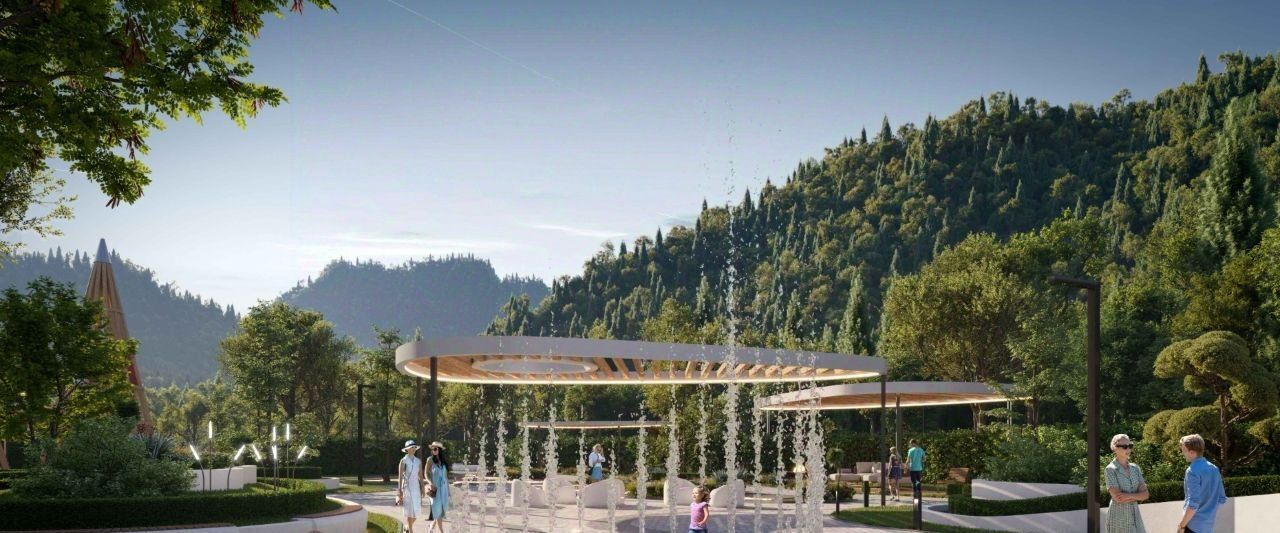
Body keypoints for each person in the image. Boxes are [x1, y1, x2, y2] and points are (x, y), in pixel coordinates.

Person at [1177, 434, 1226, 533]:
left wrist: (1181, 526)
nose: (1182, 453)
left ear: (1191, 452)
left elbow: (1193, 503)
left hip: (1192, 526)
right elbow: (1221, 499)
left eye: (1184, 450)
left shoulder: (1192, 471)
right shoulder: (1214, 468)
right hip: (1208, 527)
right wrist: (1208, 514)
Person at [1104, 434, 1148, 533]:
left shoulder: (1135, 468)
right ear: (1115, 448)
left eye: (1130, 446)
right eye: (1124, 446)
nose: (1128, 449)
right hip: (1118, 517)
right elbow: (1118, 498)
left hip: (1135, 516)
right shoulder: (1110, 469)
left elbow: (1145, 495)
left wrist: (1127, 496)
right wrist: (1137, 496)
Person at [397, 440, 425, 532]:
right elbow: (400, 477)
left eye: (414, 447)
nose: (414, 449)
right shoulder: (403, 461)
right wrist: (399, 490)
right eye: (411, 447)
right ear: (407, 449)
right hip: (407, 488)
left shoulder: (418, 461)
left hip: (416, 488)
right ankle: (411, 531)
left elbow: (420, 476)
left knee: (416, 512)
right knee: (410, 512)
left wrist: (423, 488)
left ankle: (407, 526)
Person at [424, 441, 450, 532]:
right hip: (435, 489)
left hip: (444, 489)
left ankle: (431, 526)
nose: (433, 450)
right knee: (437, 510)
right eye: (432, 449)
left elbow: (446, 477)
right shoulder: (430, 460)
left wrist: (448, 491)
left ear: (439, 450)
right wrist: (430, 483)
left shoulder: (443, 461)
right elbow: (425, 473)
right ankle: (442, 531)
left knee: (442, 510)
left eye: (435, 449)